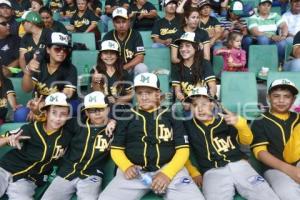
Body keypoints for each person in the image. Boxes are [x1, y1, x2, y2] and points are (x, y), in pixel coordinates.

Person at [98, 72, 205, 200]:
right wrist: (126, 166)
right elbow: (116, 149)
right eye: (139, 93)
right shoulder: (126, 116)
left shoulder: (172, 116)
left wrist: (167, 173)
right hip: (135, 172)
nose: (143, 97)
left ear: (158, 93)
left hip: (170, 170)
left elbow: (182, 149)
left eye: (148, 92)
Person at [183, 86, 280, 200]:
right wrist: (193, 172)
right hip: (212, 171)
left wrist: (241, 124)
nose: (199, 109)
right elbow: (181, 150)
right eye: (195, 105)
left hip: (239, 164)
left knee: (264, 194)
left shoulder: (226, 119)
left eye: (204, 104)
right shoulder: (187, 126)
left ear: (212, 104)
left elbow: (246, 141)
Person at [41, 91, 113, 200]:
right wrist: (37, 111)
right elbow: (54, 121)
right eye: (92, 110)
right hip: (67, 171)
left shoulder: (115, 129)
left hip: (92, 174)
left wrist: (113, 121)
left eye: (101, 109)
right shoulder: (76, 124)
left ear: (108, 109)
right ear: (87, 113)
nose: (97, 113)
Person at [0, 92, 71, 199]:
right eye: (54, 113)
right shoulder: (31, 128)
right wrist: (7, 139)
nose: (58, 118)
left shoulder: (67, 134)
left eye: (63, 114)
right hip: (5, 168)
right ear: (46, 113)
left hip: (28, 179)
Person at [251, 78, 300, 199]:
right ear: (268, 97)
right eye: (276, 96)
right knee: (287, 193)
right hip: (274, 169)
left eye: (287, 96)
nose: (281, 100)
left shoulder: (298, 118)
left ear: (293, 99)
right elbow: (260, 153)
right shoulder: (260, 121)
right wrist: (290, 170)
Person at [22, 32, 77, 119]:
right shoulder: (39, 65)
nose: (62, 52)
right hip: (39, 103)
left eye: (65, 49)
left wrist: (43, 104)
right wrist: (28, 71)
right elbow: (27, 89)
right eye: (57, 49)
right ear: (48, 49)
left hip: (62, 104)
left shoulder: (71, 69)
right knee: (20, 114)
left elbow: (67, 94)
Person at [171, 32, 217, 104]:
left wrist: (208, 100)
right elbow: (177, 91)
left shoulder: (205, 63)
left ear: (196, 48)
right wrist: (184, 101)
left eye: (187, 46)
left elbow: (213, 87)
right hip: (187, 103)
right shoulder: (177, 66)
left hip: (206, 101)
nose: (183, 49)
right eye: (181, 46)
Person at [91, 40, 133, 118]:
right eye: (105, 53)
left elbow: (131, 94)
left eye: (112, 53)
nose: (109, 56)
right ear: (100, 55)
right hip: (102, 107)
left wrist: (117, 101)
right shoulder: (95, 71)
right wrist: (95, 81)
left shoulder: (123, 72)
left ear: (117, 55)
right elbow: (96, 94)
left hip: (120, 108)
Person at [102, 7, 148, 76]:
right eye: (118, 22)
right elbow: (103, 57)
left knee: (142, 68)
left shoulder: (135, 35)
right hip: (113, 69)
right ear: (113, 23)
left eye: (124, 21)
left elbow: (140, 57)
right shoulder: (108, 36)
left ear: (129, 21)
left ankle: (139, 87)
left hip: (131, 68)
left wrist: (124, 68)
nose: (121, 25)